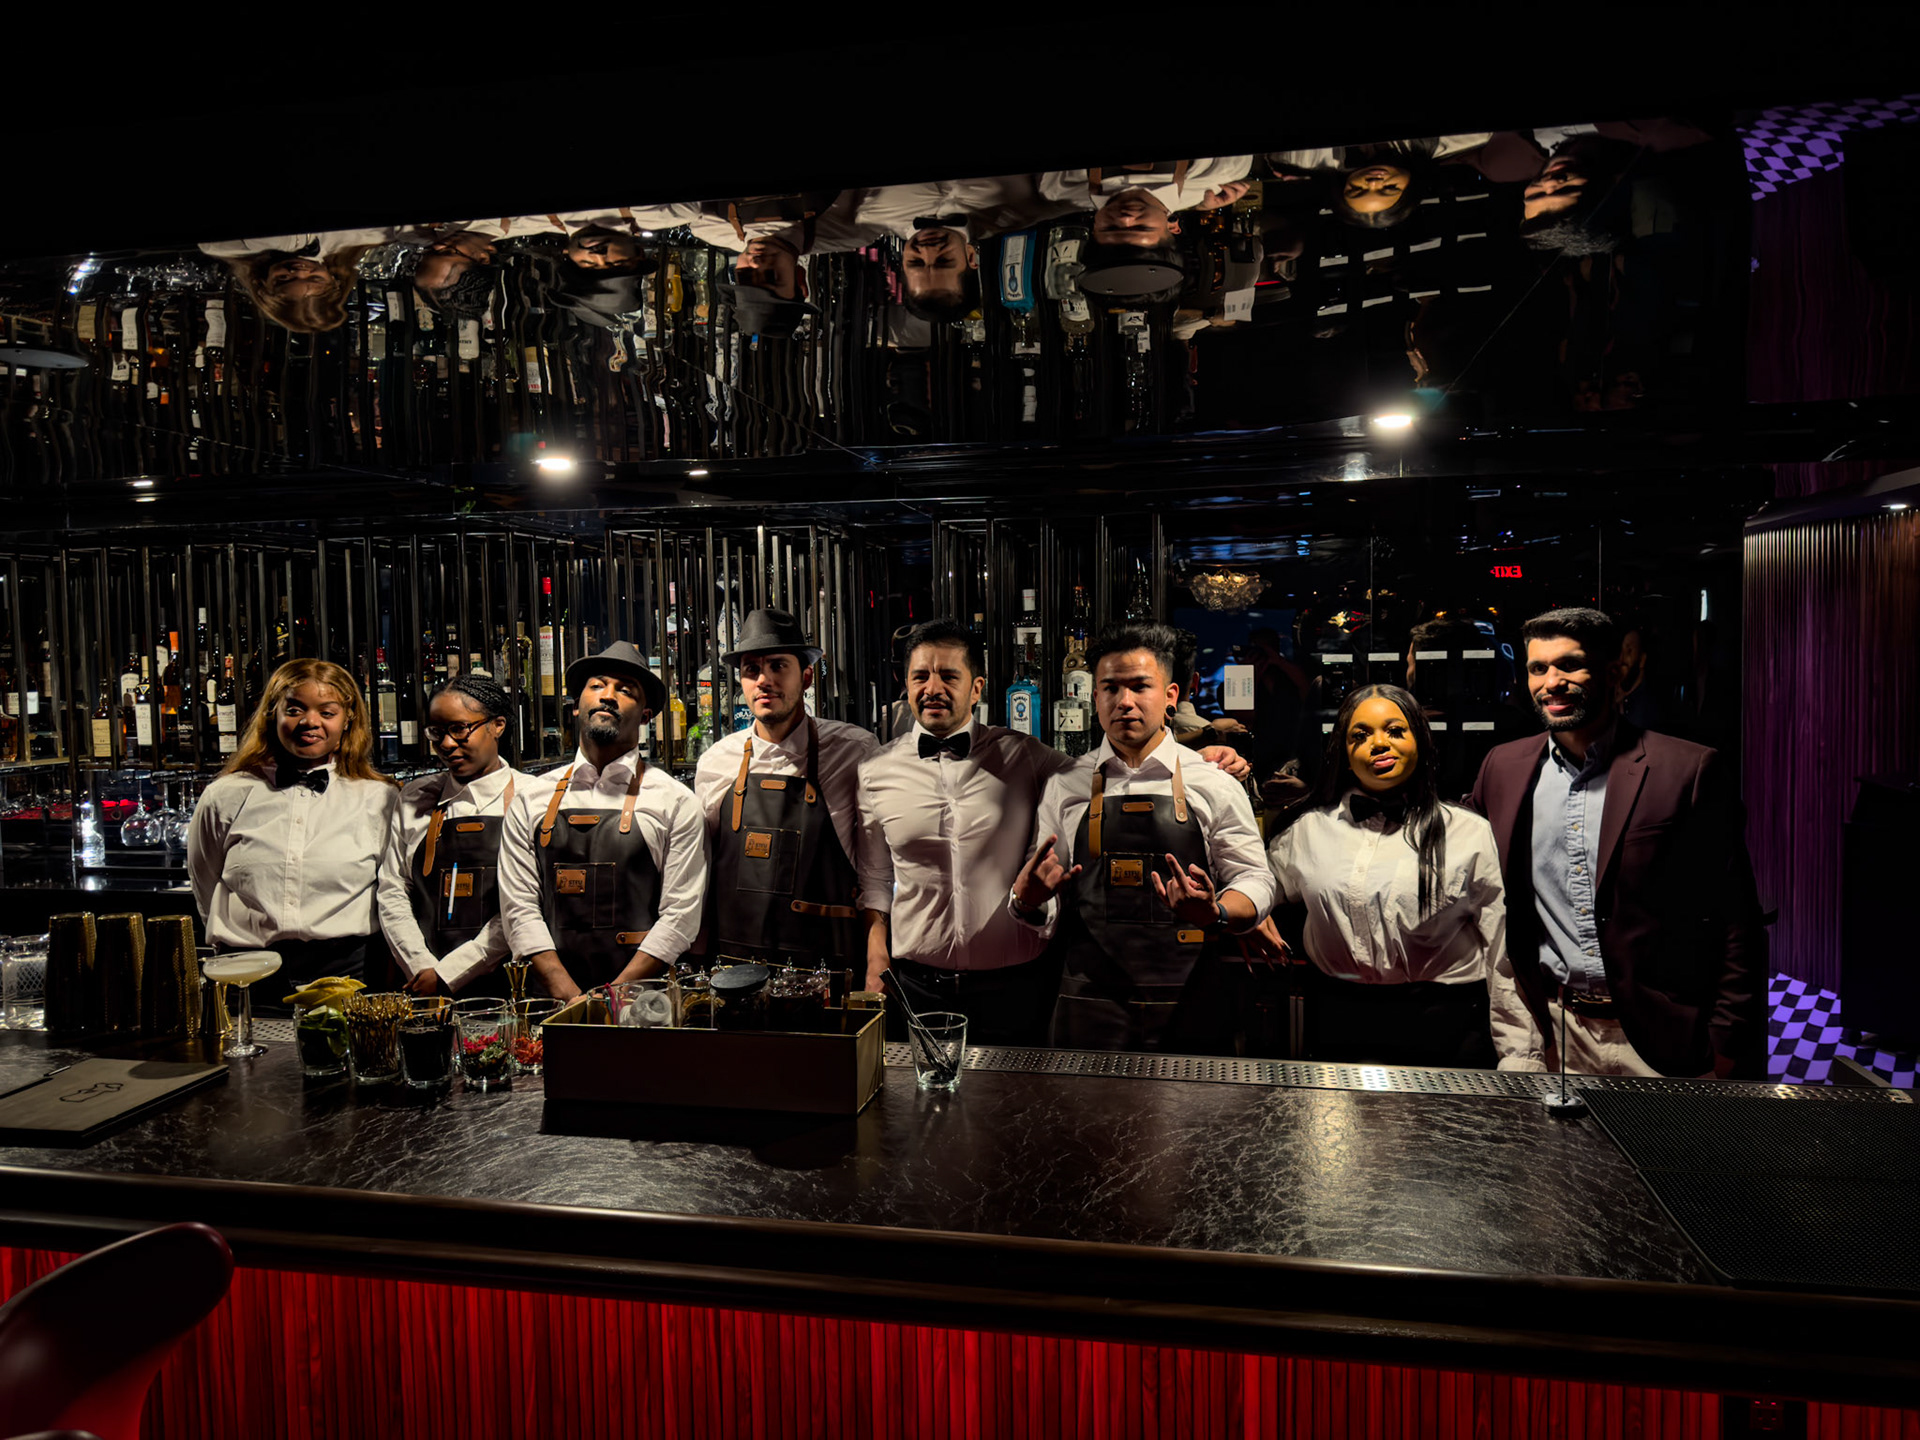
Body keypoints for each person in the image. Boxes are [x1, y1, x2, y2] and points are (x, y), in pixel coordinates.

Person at [1468, 607, 1767, 1077]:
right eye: (1538, 668)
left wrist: (1726, 1041)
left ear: (1613, 673)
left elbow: (1737, 918)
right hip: (1553, 1034)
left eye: (1570, 665)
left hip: (1662, 1040)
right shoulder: (1502, 769)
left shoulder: (1688, 770)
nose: (1551, 682)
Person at [1010, 622, 1274, 1052]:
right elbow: (1046, 897)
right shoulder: (1066, 783)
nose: (1124, 701)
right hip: (1088, 1003)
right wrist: (1028, 901)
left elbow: (1255, 878)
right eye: (1111, 688)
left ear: (1170, 695)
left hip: (1192, 1001)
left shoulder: (1213, 781)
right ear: (1095, 698)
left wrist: (1218, 912)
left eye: (1139, 686)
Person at [1268, 684, 1538, 1068]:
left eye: (1395, 731)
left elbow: (1503, 955)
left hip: (1445, 1028)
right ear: (1344, 754)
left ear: (1421, 742)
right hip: (1336, 1023)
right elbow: (1259, 882)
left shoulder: (1469, 834)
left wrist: (1519, 1059)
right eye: (1360, 735)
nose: (1379, 743)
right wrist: (1250, 917)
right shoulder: (1309, 830)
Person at [497, 643, 707, 999]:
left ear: (646, 715)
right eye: (597, 685)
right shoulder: (531, 798)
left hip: (641, 1003)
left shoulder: (676, 802)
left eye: (625, 690)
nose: (608, 696)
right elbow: (519, 910)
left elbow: (680, 918)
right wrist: (570, 998)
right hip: (550, 1003)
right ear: (576, 704)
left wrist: (614, 997)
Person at [186, 659, 400, 1006]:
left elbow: (393, 893)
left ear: (348, 720)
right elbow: (204, 884)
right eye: (295, 709)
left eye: (327, 712)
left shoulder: (380, 798)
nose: (310, 722)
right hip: (246, 974)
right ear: (272, 714)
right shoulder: (225, 795)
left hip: (347, 974)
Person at [694, 609, 879, 973]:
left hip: (825, 965)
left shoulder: (853, 751)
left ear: (806, 677)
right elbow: (701, 872)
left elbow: (875, 869)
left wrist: (876, 957)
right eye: (752, 669)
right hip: (732, 967)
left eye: (778, 666)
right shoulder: (717, 761)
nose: (764, 680)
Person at [375, 674, 540, 998]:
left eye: (460, 729)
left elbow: (526, 903)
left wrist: (450, 973)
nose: (447, 744)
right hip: (423, 985)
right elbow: (393, 889)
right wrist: (420, 965)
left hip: (509, 985)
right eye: (437, 732)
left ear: (498, 726)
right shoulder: (416, 796)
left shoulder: (532, 797)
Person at [200, 230, 393, 333]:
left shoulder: (227, 247)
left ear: (263, 285)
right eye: (315, 278)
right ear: (335, 283)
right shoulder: (362, 237)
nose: (299, 271)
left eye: (283, 278)